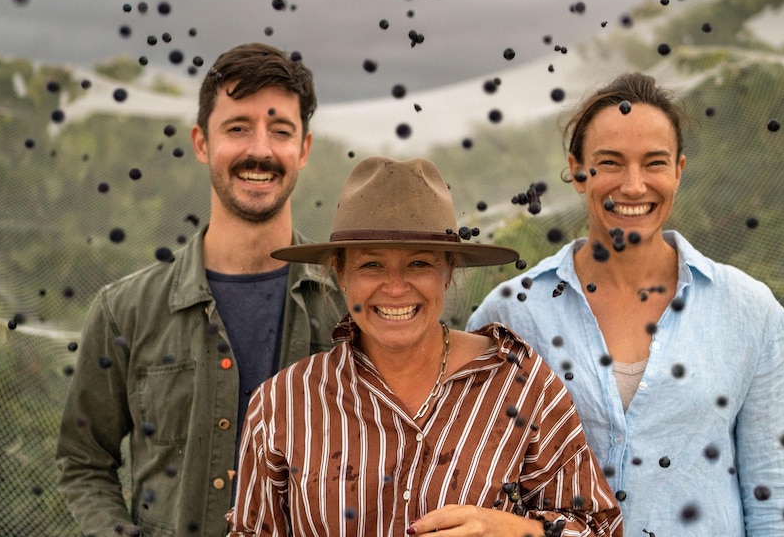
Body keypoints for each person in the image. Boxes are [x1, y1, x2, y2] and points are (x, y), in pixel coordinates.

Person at [468, 72, 784, 536]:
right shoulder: (513, 312)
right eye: (610, 162)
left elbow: (777, 505)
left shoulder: (750, 312)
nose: (633, 186)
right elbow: (481, 485)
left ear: (678, 171)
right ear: (577, 171)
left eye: (654, 163)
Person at [226, 156, 623, 537]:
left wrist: (511, 530)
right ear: (340, 274)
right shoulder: (283, 404)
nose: (396, 287)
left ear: (448, 271)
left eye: (419, 264)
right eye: (371, 265)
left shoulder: (519, 385)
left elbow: (599, 527)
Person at [55, 43, 347, 537]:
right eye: (238, 128)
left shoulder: (349, 308)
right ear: (201, 142)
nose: (260, 150)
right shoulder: (125, 311)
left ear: (304, 149)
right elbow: (84, 461)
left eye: (281, 131)